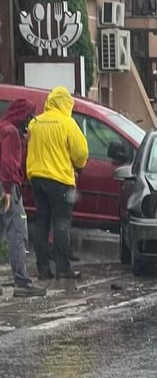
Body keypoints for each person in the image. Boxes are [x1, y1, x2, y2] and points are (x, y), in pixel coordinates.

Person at [26, 86, 88, 282]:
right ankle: (63, 268)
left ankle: (43, 269)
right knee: (61, 223)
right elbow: (81, 153)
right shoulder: (67, 123)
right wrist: (77, 165)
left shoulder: (36, 122)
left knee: (42, 222)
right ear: (65, 103)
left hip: (37, 178)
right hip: (60, 180)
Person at [0, 98, 46, 298]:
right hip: (7, 187)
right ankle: (22, 281)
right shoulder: (10, 133)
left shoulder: (4, 128)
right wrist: (9, 190)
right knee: (18, 232)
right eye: (28, 117)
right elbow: (9, 163)